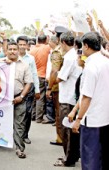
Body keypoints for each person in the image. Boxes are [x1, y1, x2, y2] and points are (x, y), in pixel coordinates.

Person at [72, 32, 109, 170]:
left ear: (86, 46)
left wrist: (78, 118)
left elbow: (86, 97)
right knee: (101, 158)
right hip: (105, 117)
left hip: (92, 120)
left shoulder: (91, 67)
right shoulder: (106, 62)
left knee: (90, 159)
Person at [53, 31, 82, 167]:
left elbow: (59, 77)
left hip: (68, 98)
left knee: (67, 130)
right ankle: (72, 156)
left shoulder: (69, 57)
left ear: (63, 43)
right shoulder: (74, 54)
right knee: (72, 130)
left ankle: (68, 159)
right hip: (73, 97)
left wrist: (55, 71)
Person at [5, 41, 33, 158]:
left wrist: (21, 96)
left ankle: (20, 148)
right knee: (0, 122)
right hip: (3, 99)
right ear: (6, 51)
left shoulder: (24, 65)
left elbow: (28, 83)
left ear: (18, 50)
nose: (12, 51)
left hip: (19, 98)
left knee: (19, 124)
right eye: (10, 49)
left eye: (14, 49)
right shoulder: (0, 63)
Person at [16, 36, 40, 145]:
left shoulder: (30, 58)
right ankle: (14, 134)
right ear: (17, 45)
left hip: (29, 88)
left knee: (27, 112)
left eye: (23, 44)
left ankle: (25, 135)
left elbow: (34, 74)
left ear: (27, 45)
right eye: (19, 44)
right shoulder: (12, 56)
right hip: (16, 89)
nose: (21, 46)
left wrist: (37, 90)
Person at [29, 35, 52, 123]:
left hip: (33, 75)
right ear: (46, 39)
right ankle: (39, 118)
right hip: (42, 75)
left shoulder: (32, 49)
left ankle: (33, 115)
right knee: (40, 97)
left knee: (34, 97)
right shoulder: (47, 48)